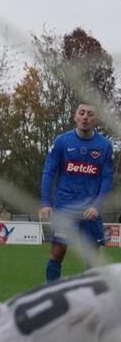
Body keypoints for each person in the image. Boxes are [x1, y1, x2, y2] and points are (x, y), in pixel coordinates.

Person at [39, 103, 114, 282]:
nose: (85, 117)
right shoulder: (62, 142)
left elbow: (107, 178)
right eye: (82, 113)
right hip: (65, 207)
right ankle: (53, 298)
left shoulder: (104, 146)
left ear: (95, 119)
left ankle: (90, 303)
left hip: (90, 211)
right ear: (75, 117)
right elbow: (48, 172)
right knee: (57, 253)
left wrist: (97, 206)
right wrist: (46, 203)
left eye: (90, 114)